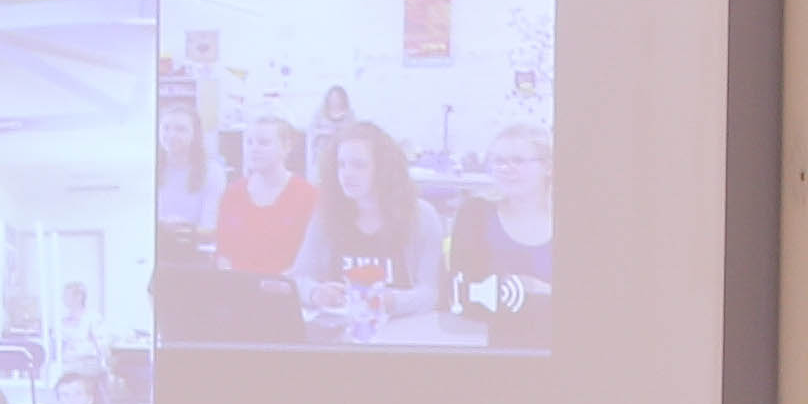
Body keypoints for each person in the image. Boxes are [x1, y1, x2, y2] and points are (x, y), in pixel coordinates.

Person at [295, 115, 442, 332]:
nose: (347, 174)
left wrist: (392, 302)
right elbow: (299, 278)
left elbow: (431, 293)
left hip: (404, 334)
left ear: (383, 169)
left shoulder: (422, 216)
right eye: (341, 165)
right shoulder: (325, 214)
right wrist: (315, 293)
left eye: (358, 165)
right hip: (340, 336)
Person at [451, 114, 557, 307]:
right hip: (487, 331)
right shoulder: (475, 214)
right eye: (498, 161)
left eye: (518, 161)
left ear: (547, 166)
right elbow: (460, 290)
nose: (506, 168)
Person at [208, 111, 316, 281]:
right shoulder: (233, 194)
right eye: (249, 143)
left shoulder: (307, 195)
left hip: (285, 290)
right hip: (237, 291)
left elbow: (309, 261)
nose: (254, 149)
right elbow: (223, 254)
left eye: (264, 143)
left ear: (286, 147)